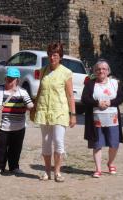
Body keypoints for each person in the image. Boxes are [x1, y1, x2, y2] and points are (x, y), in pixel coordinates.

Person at [33, 42, 76, 182]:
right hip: (44, 110)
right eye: (50, 55)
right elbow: (40, 90)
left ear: (60, 57)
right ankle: (47, 172)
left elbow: (70, 95)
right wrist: (34, 106)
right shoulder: (43, 70)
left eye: (55, 55)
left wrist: (73, 114)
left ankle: (57, 172)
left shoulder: (66, 72)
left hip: (60, 111)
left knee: (58, 141)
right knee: (45, 142)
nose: (52, 58)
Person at [81, 59, 123, 178]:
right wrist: (97, 103)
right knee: (97, 144)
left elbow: (121, 98)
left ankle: (110, 163)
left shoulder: (114, 83)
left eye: (104, 69)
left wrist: (110, 102)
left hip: (113, 119)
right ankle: (98, 169)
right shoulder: (90, 84)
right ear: (95, 71)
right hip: (96, 120)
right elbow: (84, 99)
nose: (101, 71)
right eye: (98, 69)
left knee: (114, 143)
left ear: (108, 71)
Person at [0, 67, 33, 174]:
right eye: (8, 78)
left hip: (18, 126)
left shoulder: (22, 92)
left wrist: (30, 107)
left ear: (17, 80)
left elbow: (30, 105)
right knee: (2, 147)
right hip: (1, 125)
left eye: (12, 78)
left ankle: (14, 167)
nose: (9, 80)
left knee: (16, 148)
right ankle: (0, 166)